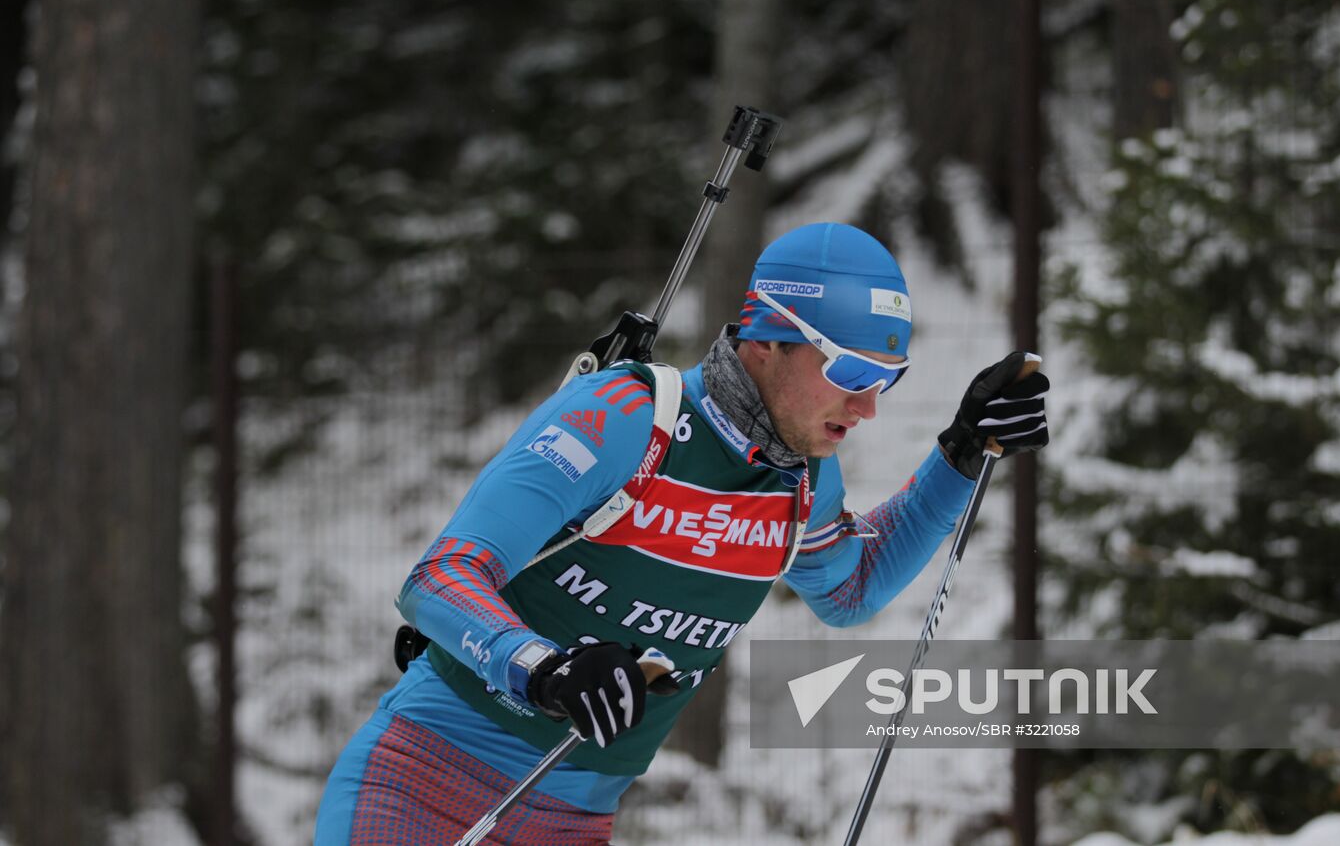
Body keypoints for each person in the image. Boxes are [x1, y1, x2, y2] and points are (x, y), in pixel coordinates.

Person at [314, 221, 1050, 845]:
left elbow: (850, 587)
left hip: (571, 820)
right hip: (420, 786)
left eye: (887, 376)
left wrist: (958, 455)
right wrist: (546, 665)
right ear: (769, 338)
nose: (867, 406)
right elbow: (439, 579)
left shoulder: (801, 478)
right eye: (851, 369)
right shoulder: (627, 416)